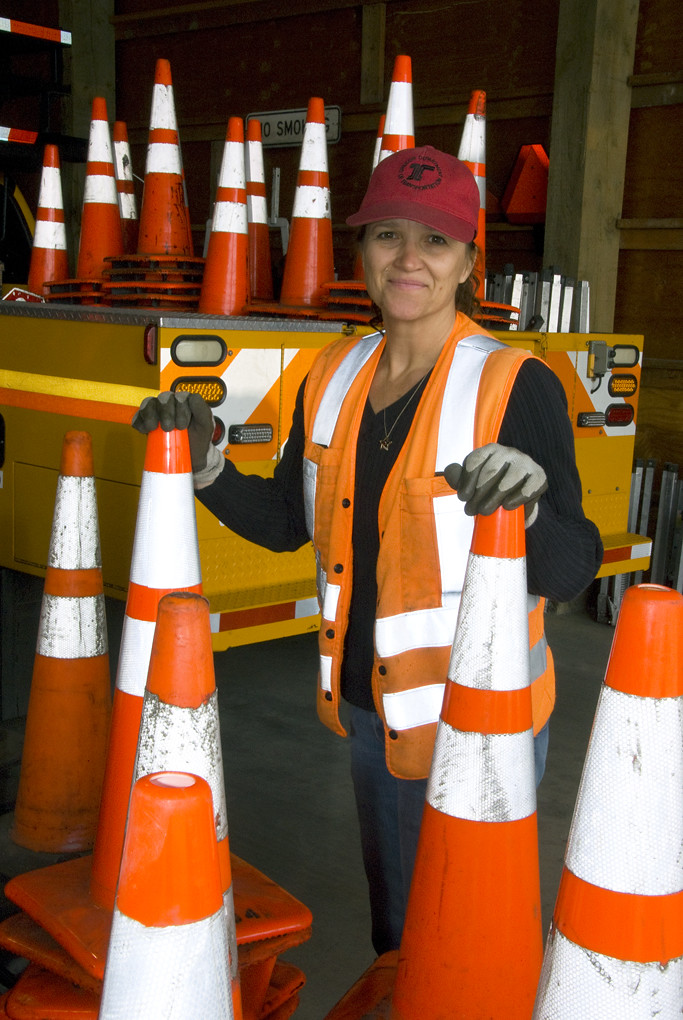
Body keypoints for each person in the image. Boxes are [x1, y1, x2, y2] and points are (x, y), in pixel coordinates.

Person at [133, 145, 603, 956]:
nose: (409, 258)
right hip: (370, 709)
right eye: (387, 235)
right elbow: (290, 520)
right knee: (398, 931)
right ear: (361, 254)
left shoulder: (513, 384)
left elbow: (570, 565)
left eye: (436, 240)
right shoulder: (333, 372)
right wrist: (205, 460)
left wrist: (524, 508)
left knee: (466, 938)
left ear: (467, 265)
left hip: (478, 721)